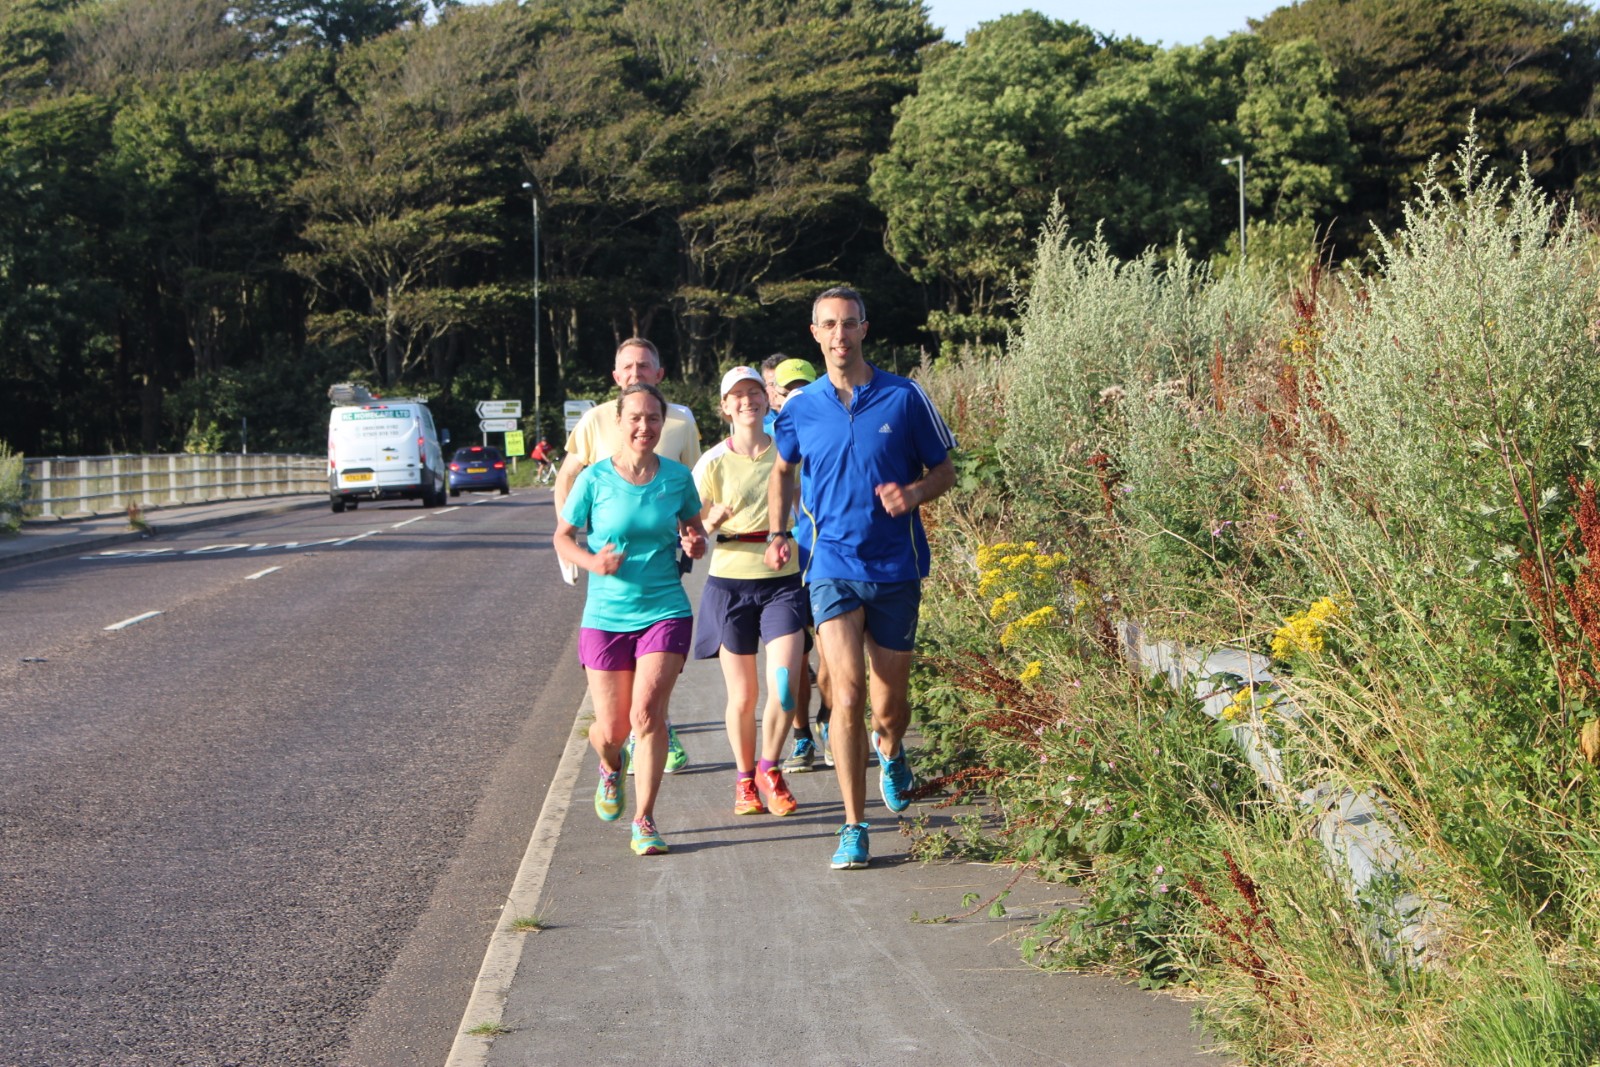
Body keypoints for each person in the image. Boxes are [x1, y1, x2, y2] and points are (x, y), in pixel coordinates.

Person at [766, 286, 957, 869]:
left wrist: (915, 493)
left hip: (896, 566)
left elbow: (945, 469)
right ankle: (854, 825)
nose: (840, 335)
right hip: (831, 565)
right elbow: (781, 469)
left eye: (849, 323)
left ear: (864, 329)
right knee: (846, 693)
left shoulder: (905, 396)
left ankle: (892, 749)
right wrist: (778, 530)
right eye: (829, 325)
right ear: (815, 334)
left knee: (888, 705)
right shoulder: (799, 408)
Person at [554, 383, 708, 856]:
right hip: (605, 616)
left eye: (653, 418)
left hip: (665, 609)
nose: (645, 426)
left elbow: (695, 530)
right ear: (618, 423)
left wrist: (695, 544)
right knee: (613, 730)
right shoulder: (594, 479)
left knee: (647, 715)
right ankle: (610, 764)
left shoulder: (678, 478)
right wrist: (591, 561)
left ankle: (645, 820)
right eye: (635, 418)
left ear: (663, 424)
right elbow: (562, 536)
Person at [692, 366, 808, 817]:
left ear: (766, 398)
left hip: (782, 580)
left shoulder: (788, 450)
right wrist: (712, 520)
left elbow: (807, 504)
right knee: (742, 697)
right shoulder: (712, 462)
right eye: (737, 396)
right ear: (724, 407)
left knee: (785, 686)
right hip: (729, 583)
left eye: (754, 392)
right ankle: (744, 780)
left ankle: (769, 768)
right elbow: (691, 532)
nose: (747, 401)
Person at [760, 356, 834, 776]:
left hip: (819, 549)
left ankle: (828, 719)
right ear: (771, 393)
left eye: (802, 386)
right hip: (782, 555)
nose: (793, 395)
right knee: (795, 658)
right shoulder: (760, 431)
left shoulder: (821, 416)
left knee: (829, 649)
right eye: (785, 389)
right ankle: (802, 735)